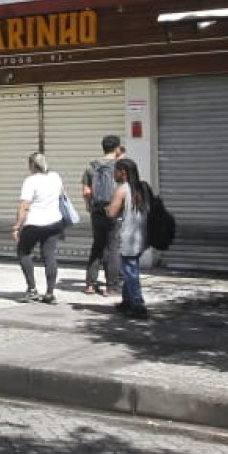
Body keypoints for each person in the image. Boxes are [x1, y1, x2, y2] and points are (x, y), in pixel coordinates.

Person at [11, 152, 67, 304]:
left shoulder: (30, 181)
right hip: (54, 222)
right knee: (49, 255)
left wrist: (16, 226)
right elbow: (61, 196)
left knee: (23, 252)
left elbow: (24, 206)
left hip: (35, 223)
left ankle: (32, 289)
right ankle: (49, 293)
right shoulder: (55, 177)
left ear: (32, 165)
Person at [104, 156, 151, 320]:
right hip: (140, 235)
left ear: (122, 173)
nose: (114, 174)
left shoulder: (122, 189)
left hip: (127, 236)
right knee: (130, 268)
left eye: (116, 171)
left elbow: (111, 212)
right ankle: (127, 301)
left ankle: (138, 305)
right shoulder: (142, 187)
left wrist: (105, 208)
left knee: (130, 272)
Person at [80, 134, 125, 297]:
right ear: (117, 148)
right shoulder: (120, 167)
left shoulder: (91, 167)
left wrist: (88, 207)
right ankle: (111, 287)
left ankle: (90, 285)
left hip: (97, 211)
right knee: (112, 247)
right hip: (114, 210)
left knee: (97, 245)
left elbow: (86, 191)